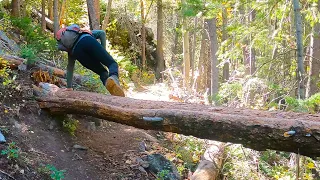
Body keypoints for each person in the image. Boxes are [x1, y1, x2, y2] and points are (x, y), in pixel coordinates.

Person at [56, 24, 125, 97]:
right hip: (87, 40)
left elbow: (70, 68)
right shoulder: (83, 33)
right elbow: (102, 33)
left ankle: (111, 88)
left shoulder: (70, 51)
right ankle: (113, 78)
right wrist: (103, 50)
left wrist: (69, 87)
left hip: (77, 53)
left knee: (102, 72)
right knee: (112, 64)